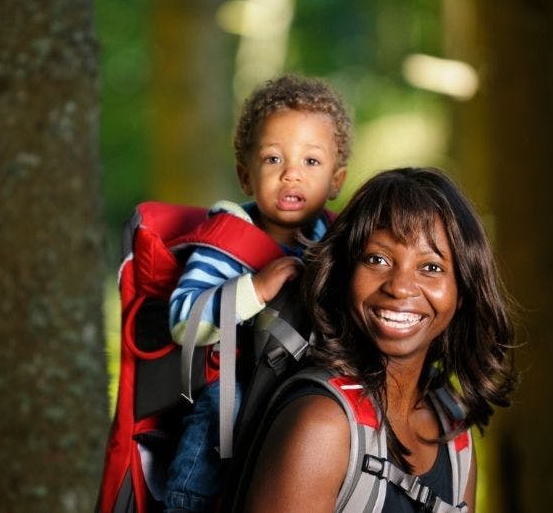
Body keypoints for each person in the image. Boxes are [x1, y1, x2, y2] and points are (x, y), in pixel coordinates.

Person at [243, 167, 517, 513]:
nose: (400, 287)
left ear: (462, 290)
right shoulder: (322, 424)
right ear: (343, 273)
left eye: (431, 267)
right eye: (378, 259)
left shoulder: (453, 433)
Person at [163, 74, 352, 513]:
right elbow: (183, 321)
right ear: (245, 175)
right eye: (272, 159)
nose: (291, 174)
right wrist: (255, 288)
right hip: (227, 422)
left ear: (337, 179)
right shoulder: (227, 242)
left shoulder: (338, 244)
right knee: (221, 407)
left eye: (311, 161)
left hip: (301, 399)